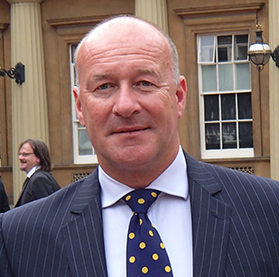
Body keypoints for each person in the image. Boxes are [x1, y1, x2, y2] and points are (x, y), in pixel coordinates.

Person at [0, 15, 279, 277]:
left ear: (179, 96)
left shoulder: (269, 210)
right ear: (79, 107)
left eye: (144, 83)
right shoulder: (19, 237)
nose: (125, 106)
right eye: (104, 87)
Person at [14, 139, 60, 207]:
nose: (20, 158)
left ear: (38, 158)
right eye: (20, 154)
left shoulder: (39, 180)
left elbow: (46, 210)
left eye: (25, 154)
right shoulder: (34, 178)